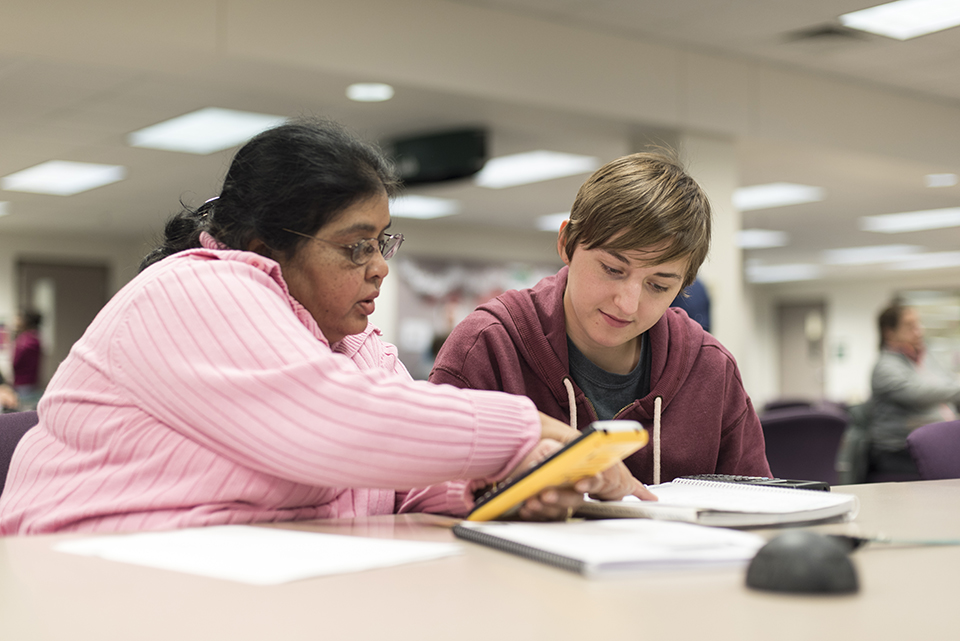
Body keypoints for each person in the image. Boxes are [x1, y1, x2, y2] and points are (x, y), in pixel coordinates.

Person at [0, 120, 646, 535]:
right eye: (354, 248)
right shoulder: (195, 288)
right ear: (262, 244)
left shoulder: (355, 345)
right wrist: (528, 428)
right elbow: (333, 424)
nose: (380, 270)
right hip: (77, 573)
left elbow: (399, 475)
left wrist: (505, 484)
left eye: (382, 242)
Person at [430, 152, 771, 485]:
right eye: (612, 269)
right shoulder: (487, 346)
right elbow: (423, 499)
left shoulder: (710, 368)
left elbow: (759, 508)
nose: (627, 304)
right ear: (566, 243)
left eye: (658, 285)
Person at [869, 301, 960, 477]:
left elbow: (948, 383)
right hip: (901, 453)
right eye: (910, 326)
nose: (919, 330)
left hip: (939, 446)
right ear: (889, 332)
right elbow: (919, 393)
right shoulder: (885, 367)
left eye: (918, 323)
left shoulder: (924, 359)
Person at [12, 309, 43, 408]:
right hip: (30, 381)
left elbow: (16, 363)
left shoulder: (24, 340)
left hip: (23, 383)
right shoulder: (35, 338)